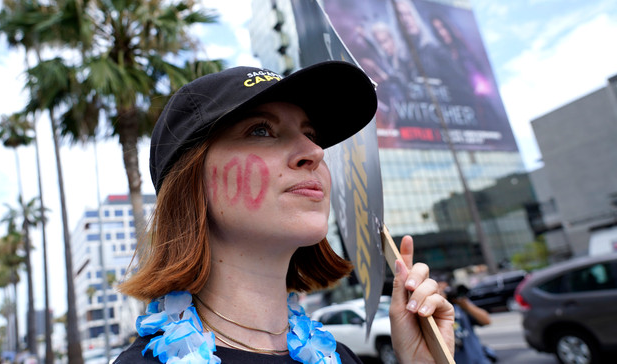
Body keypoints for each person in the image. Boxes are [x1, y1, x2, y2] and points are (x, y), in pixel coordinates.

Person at [114, 61, 454, 363]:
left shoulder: (341, 358)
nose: (315, 151)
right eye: (261, 130)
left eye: (311, 134)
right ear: (191, 180)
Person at [437, 275, 493, 364]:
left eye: (447, 289)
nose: (446, 293)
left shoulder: (460, 305)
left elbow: (486, 320)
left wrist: (465, 304)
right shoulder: (435, 312)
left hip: (478, 360)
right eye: (441, 290)